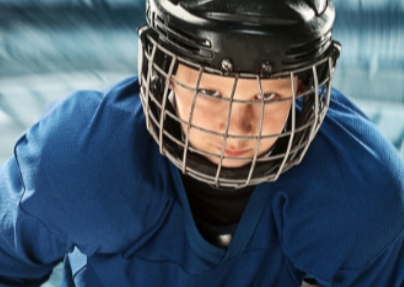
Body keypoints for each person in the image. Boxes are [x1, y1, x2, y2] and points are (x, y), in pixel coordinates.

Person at [1, 0, 404, 286]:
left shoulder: (361, 194)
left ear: (302, 86)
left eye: (267, 97)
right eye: (211, 93)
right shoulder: (80, 158)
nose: (238, 125)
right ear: (168, 74)